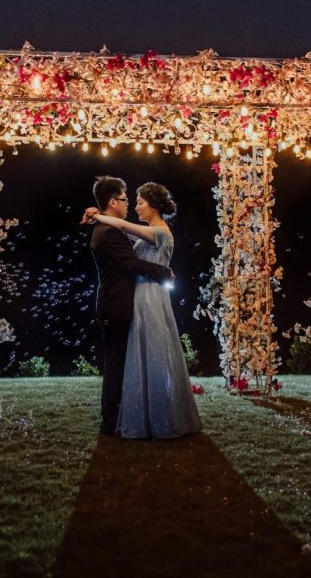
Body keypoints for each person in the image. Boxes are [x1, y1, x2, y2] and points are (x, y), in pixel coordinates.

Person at [82, 182, 202, 439]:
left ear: (154, 205)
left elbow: (125, 229)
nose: (134, 205)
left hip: (150, 296)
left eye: (139, 202)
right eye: (129, 200)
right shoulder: (144, 231)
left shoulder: (158, 232)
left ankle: (156, 414)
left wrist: (96, 214)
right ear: (113, 202)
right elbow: (126, 238)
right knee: (138, 355)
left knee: (154, 352)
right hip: (137, 297)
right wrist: (96, 214)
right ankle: (128, 414)